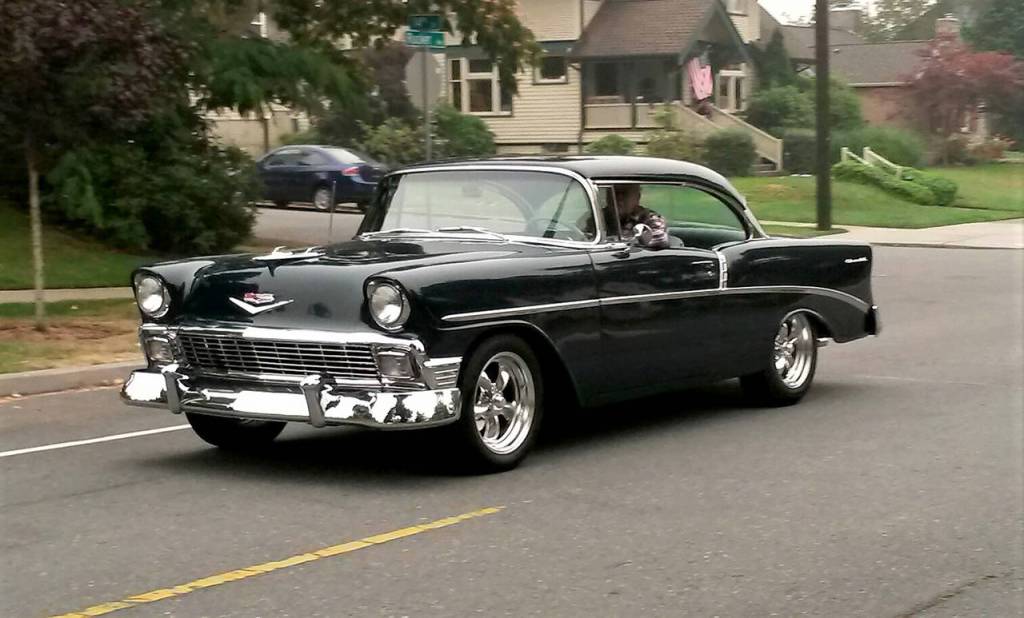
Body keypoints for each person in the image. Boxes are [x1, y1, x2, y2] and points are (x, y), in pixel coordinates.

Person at [613, 184, 670, 249]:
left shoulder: (651, 218)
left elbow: (659, 240)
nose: (619, 198)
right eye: (615, 193)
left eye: (625, 194)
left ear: (637, 198)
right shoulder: (603, 217)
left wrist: (629, 240)